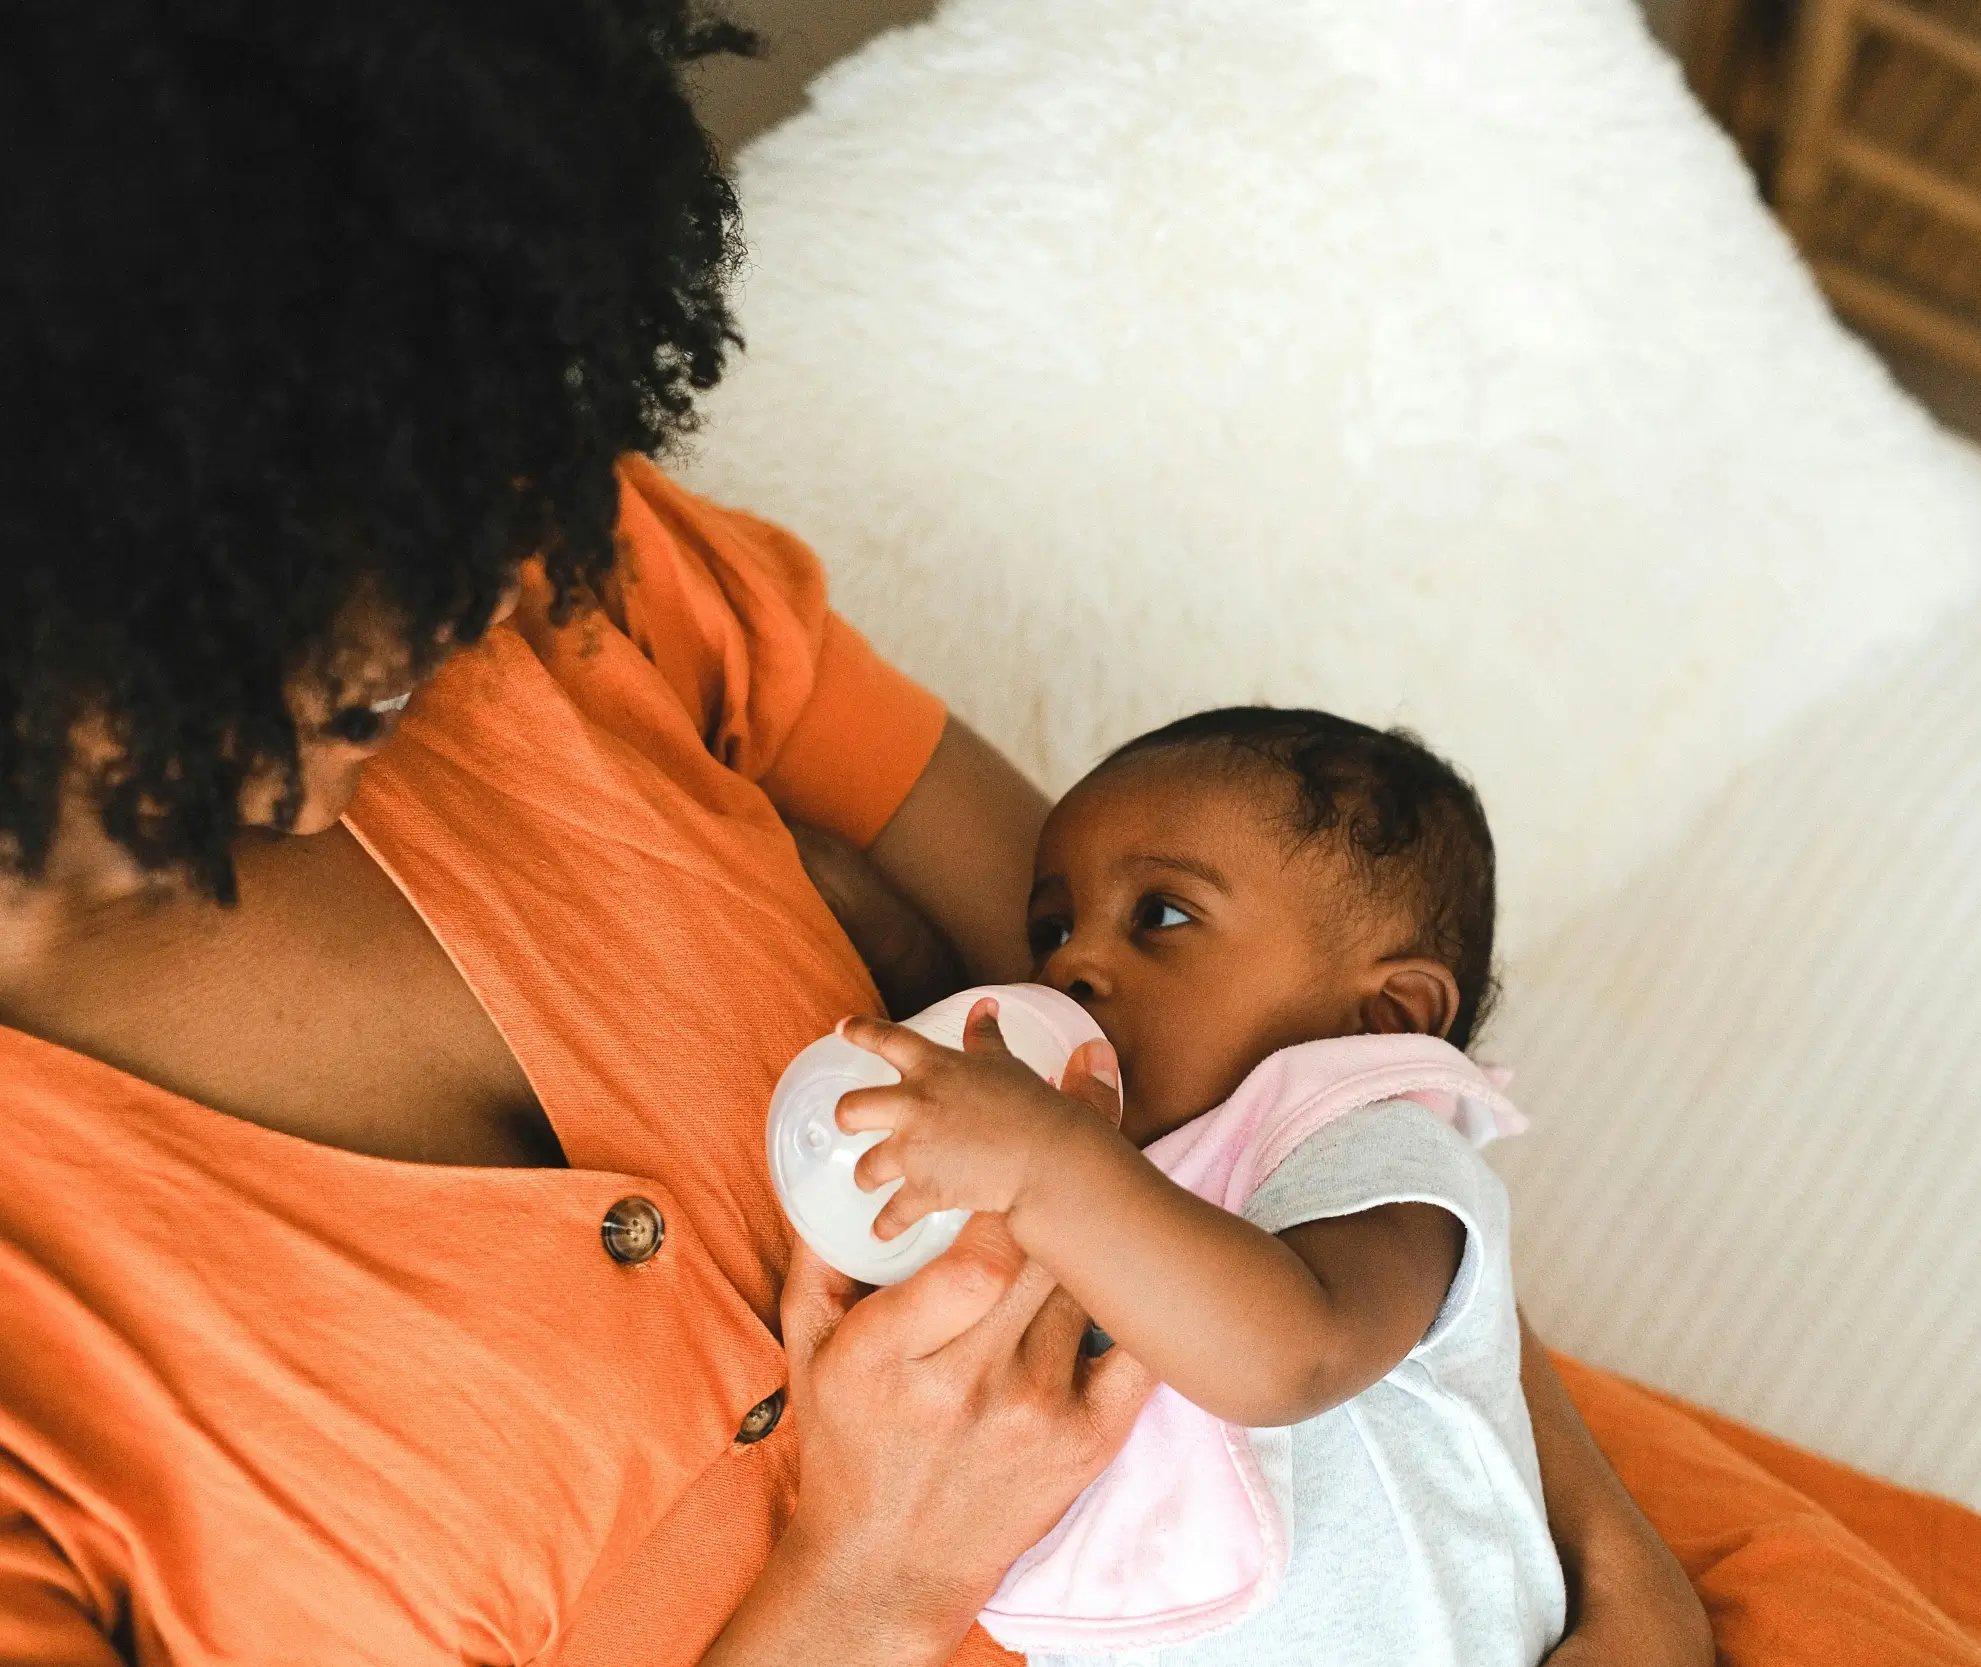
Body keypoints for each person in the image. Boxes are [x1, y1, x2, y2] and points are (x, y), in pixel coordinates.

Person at [0, 5, 1710, 1664]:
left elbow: (1277, 1043)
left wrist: (1606, 1556)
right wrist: (873, 1587)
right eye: (291, 559)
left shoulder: (518, 555)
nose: (436, 615)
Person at [839, 707, 1568, 1665]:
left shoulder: (1386, 1156)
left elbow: (1291, 1358)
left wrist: (1042, 1166)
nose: (1071, 964)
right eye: (1050, 927)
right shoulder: (1111, 1171)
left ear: (1384, 1012)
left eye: (1163, 914)